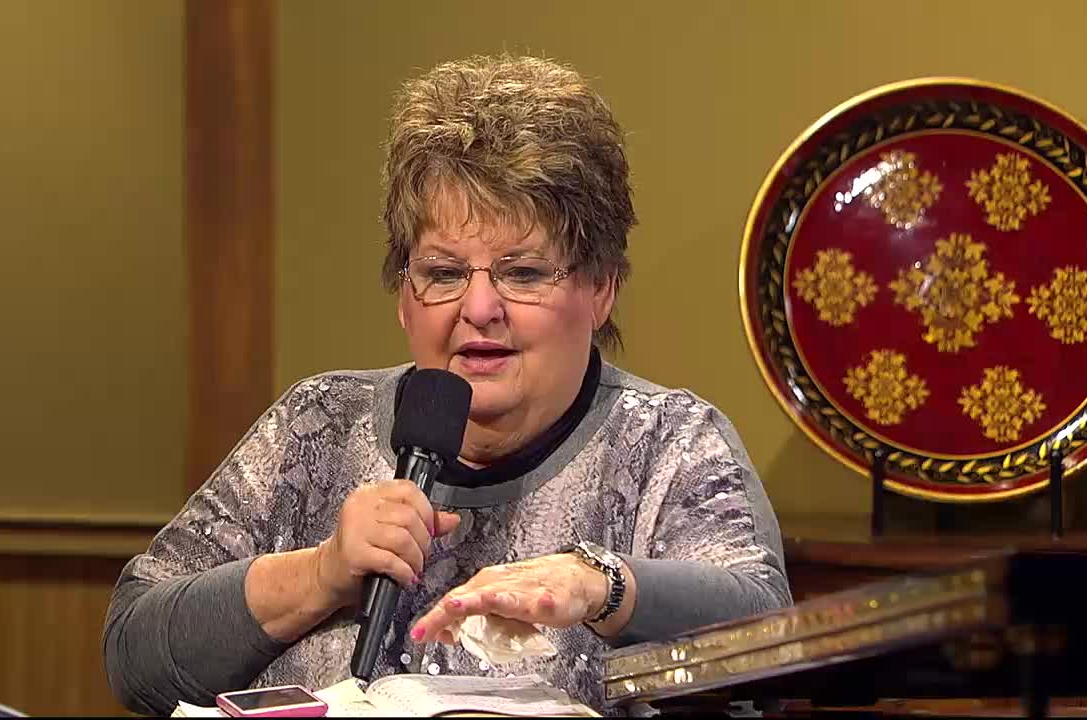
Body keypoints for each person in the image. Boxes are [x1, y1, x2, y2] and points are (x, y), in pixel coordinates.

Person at [103, 53, 791, 716]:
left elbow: (767, 634)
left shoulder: (669, 444)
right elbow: (134, 653)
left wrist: (601, 585)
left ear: (601, 289)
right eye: (444, 273)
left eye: (523, 273)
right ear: (404, 298)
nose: (479, 308)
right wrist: (320, 574)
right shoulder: (316, 427)